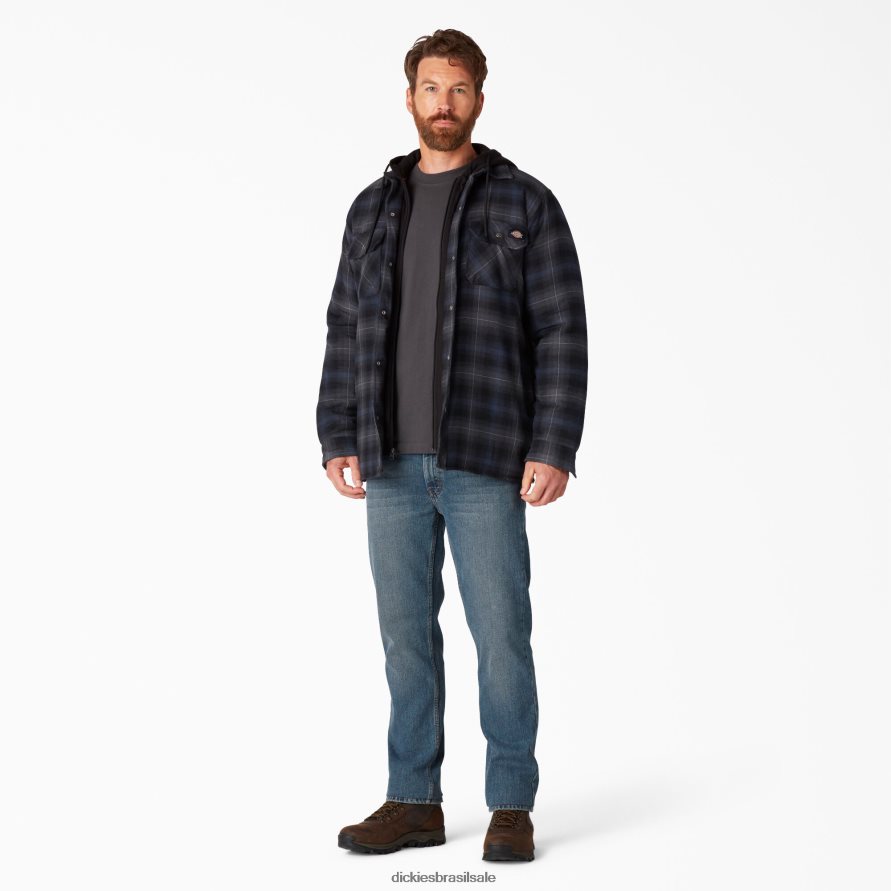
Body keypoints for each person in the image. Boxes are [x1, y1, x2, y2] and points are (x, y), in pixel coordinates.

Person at [316, 28, 587, 863]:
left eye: (459, 89)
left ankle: (510, 804)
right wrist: (336, 432)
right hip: (390, 458)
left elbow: (561, 329)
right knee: (405, 637)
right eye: (431, 88)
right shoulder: (372, 207)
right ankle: (413, 800)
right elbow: (344, 323)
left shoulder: (522, 203)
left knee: (501, 635)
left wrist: (553, 443)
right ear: (409, 98)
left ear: (478, 98)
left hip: (485, 455)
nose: (444, 103)